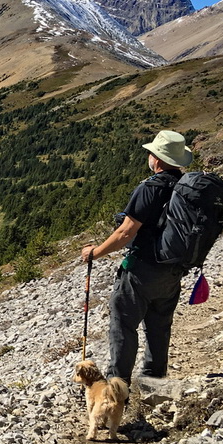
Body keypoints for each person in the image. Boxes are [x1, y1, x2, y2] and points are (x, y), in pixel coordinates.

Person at [80, 130, 193, 386]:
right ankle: (154, 385)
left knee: (123, 325)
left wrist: (95, 252)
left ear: (158, 159)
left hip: (142, 269)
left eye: (152, 153)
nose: (150, 157)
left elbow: (125, 232)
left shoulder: (150, 188)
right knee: (159, 327)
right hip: (173, 269)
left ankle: (117, 387)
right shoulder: (185, 188)